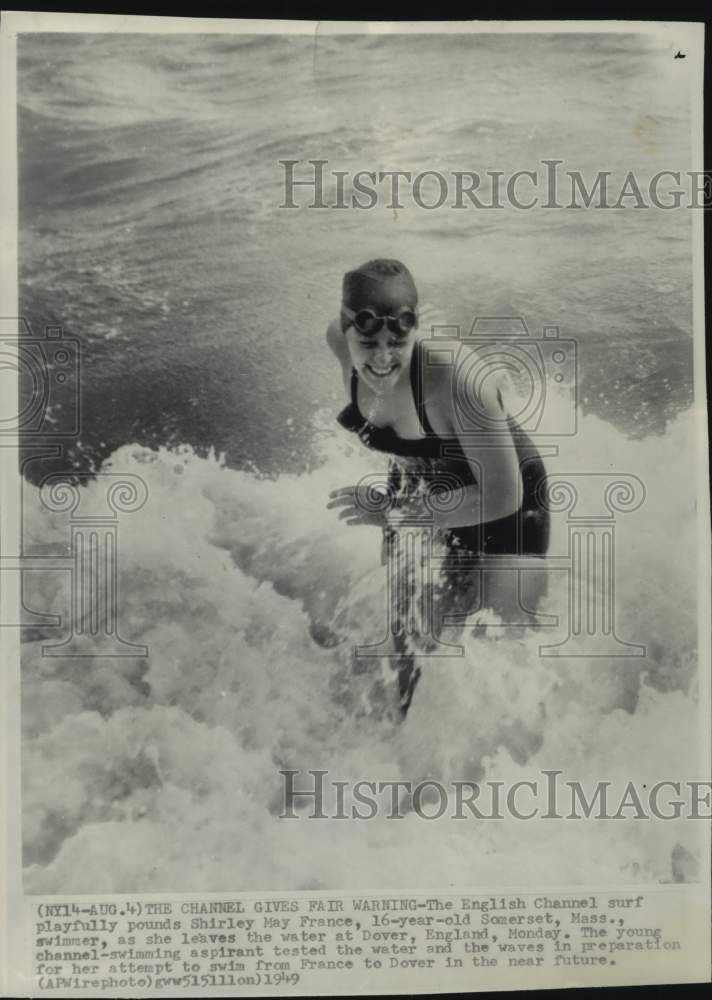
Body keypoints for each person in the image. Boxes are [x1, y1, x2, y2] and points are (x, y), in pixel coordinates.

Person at [326, 259, 549, 715]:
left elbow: (504, 495)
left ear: (416, 330)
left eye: (398, 343)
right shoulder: (336, 341)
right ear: (347, 329)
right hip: (419, 482)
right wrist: (400, 508)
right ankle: (398, 746)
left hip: (506, 498)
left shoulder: (456, 376)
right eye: (368, 342)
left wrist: (394, 513)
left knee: (497, 659)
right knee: (410, 641)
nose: (383, 359)